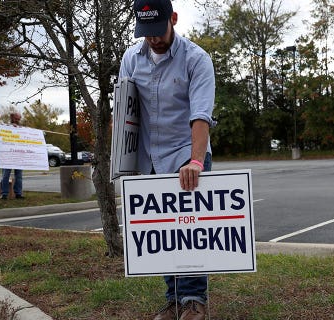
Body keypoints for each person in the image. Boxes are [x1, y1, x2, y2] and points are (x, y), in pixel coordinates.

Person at [119, 0, 215, 319]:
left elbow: (200, 115)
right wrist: (125, 164)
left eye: (158, 30)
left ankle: (194, 300)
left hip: (187, 155)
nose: (153, 39)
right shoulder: (131, 58)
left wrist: (196, 162)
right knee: (162, 235)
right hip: (149, 159)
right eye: (146, 32)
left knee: (189, 232)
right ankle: (174, 298)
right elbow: (125, 113)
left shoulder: (197, 59)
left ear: (173, 18)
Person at [0, 112, 24, 200]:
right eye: (16, 119)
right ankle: (4, 193)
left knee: (19, 175)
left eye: (19, 119)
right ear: (12, 118)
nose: (17, 121)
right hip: (8, 156)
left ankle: (18, 193)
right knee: (5, 175)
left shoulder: (21, 129)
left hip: (18, 155)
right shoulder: (5, 127)